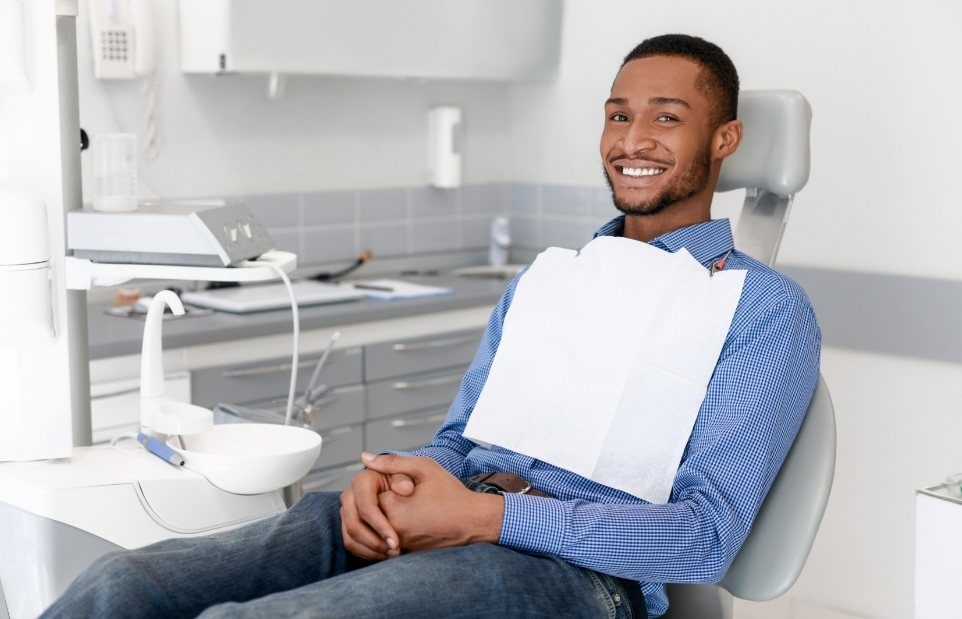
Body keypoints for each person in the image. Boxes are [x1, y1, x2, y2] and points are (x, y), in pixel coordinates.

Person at [44, 34, 820, 619]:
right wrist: (392, 478)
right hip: (447, 509)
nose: (633, 139)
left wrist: (485, 517)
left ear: (724, 140)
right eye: (619, 115)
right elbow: (459, 439)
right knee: (122, 587)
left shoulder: (762, 311)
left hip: (572, 575)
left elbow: (704, 536)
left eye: (667, 117)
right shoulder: (552, 281)